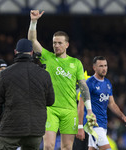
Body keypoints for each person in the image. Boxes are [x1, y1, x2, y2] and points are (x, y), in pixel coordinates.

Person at [28, 10, 95, 150]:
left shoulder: (76, 63)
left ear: (67, 45)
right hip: (50, 109)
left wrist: (89, 110)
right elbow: (32, 41)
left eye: (59, 43)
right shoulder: (48, 57)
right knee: (48, 146)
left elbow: (83, 87)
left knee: (66, 147)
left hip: (70, 110)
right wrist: (33, 22)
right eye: (54, 43)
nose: (56, 45)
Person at [0, 38, 55, 150]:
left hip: (11, 128)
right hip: (35, 129)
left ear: (15, 52)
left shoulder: (5, 74)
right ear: (31, 53)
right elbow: (51, 101)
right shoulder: (44, 74)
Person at [83, 56, 126, 150]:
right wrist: (80, 125)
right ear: (94, 68)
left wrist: (122, 115)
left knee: (92, 148)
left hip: (103, 123)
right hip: (93, 124)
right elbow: (81, 103)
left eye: (105, 65)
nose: (104, 68)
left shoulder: (107, 83)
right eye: (101, 66)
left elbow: (111, 103)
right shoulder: (89, 82)